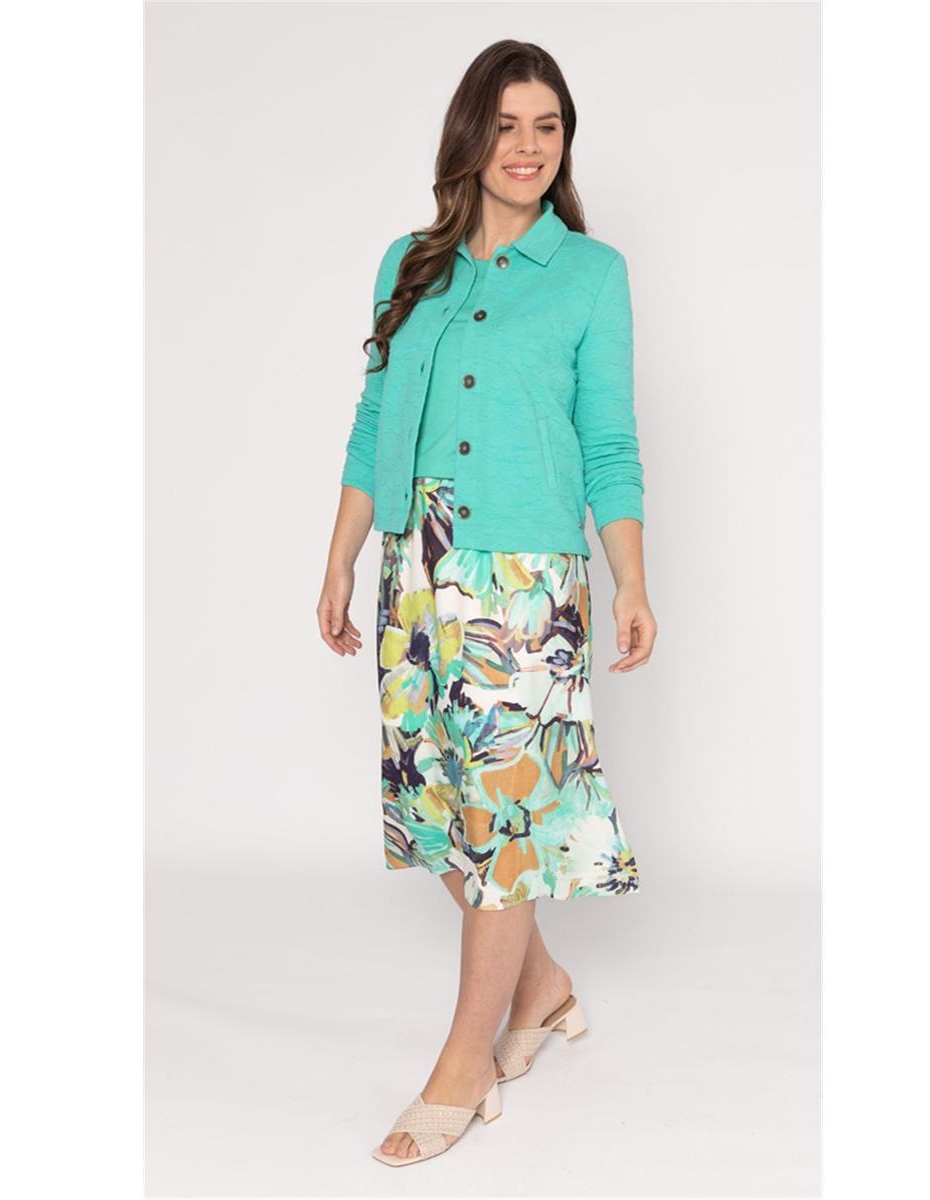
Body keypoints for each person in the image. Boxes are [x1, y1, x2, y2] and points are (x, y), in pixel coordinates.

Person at [317, 39, 657, 1167]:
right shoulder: (409, 263)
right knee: (447, 804)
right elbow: (373, 422)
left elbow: (609, 443)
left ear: (564, 143)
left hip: (522, 581)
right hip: (414, 564)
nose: (527, 146)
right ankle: (544, 988)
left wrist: (630, 578)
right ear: (472, 134)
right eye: (507, 124)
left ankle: (465, 1063)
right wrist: (340, 560)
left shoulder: (590, 274)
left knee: (506, 820)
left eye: (547, 126)